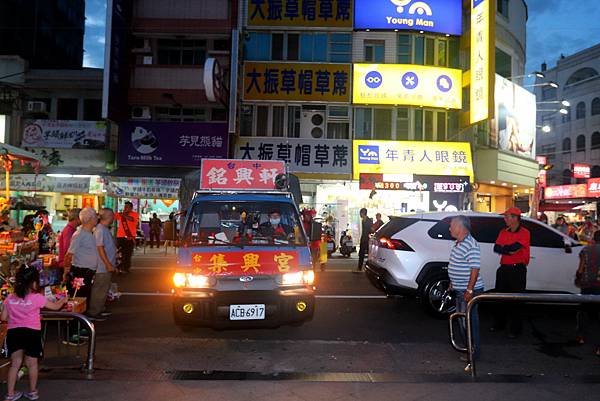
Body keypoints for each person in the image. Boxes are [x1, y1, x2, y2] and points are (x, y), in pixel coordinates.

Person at [1, 265, 67, 401]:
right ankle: (32, 392)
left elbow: (3, 317)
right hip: (32, 333)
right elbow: (55, 306)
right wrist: (63, 299)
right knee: (32, 364)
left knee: (15, 364)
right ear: (34, 283)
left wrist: (16, 317)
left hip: (14, 332)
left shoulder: (10, 299)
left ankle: (10, 394)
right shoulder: (37, 298)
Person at [448, 215, 485, 367]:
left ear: (460, 227)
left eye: (452, 225)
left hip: (468, 291)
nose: (450, 228)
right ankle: (469, 350)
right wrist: (453, 281)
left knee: (468, 322)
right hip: (460, 288)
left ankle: (473, 353)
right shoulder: (459, 243)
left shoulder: (470, 244)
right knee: (463, 321)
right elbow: (458, 264)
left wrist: (469, 289)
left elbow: (475, 268)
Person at [491, 207, 531, 338]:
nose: (505, 219)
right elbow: (496, 247)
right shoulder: (503, 231)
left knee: (516, 300)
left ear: (515, 218)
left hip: (517, 270)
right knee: (500, 298)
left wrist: (505, 249)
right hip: (504, 269)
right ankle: (499, 324)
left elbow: (514, 249)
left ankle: (515, 329)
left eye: (507, 216)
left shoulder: (525, 232)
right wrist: (507, 249)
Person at [63, 207, 99, 305]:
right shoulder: (79, 234)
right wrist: (65, 272)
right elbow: (69, 255)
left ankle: (84, 317)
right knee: (79, 297)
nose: (97, 218)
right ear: (89, 219)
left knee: (85, 296)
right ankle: (79, 318)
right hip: (80, 272)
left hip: (87, 271)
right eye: (95, 216)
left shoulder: (89, 233)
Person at [89, 208, 118, 320]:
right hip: (102, 266)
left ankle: (100, 308)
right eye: (112, 216)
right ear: (109, 217)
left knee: (103, 288)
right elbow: (99, 248)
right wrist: (107, 264)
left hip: (105, 265)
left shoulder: (103, 229)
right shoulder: (100, 230)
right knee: (99, 289)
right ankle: (94, 312)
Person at [575, 230, 600, 355]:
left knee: (583, 311)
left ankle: (580, 336)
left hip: (588, 285)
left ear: (594, 239)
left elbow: (581, 268)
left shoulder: (586, 250)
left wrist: (578, 278)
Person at [115, 201, 139, 274]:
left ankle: (125, 268)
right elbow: (114, 216)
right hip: (120, 236)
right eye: (125, 207)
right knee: (119, 253)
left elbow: (131, 219)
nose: (125, 208)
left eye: (127, 207)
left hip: (129, 237)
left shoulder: (134, 214)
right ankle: (118, 267)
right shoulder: (121, 214)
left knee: (127, 254)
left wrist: (123, 215)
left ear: (131, 208)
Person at [354, 208, 372, 273]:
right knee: (361, 253)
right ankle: (360, 267)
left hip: (367, 239)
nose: (360, 215)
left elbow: (370, 230)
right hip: (363, 238)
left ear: (363, 213)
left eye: (360, 213)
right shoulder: (362, 220)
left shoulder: (369, 220)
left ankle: (363, 268)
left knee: (366, 254)